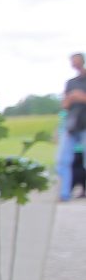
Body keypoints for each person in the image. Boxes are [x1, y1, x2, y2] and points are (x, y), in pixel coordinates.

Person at [59, 53, 86, 201]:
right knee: (63, 160)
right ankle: (64, 193)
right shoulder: (71, 82)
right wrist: (68, 100)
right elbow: (64, 105)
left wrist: (82, 97)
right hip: (72, 125)